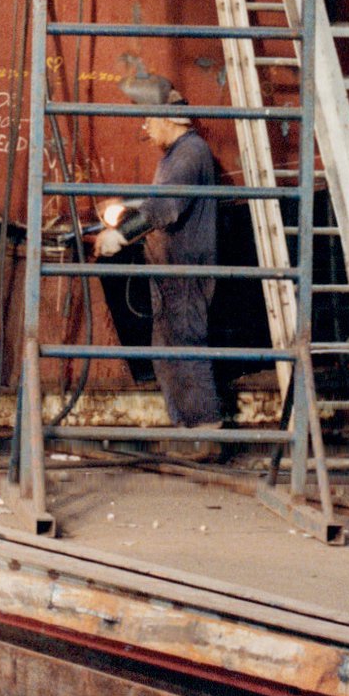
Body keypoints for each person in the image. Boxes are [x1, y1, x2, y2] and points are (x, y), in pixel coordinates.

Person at [126, 73, 223, 447]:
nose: (146, 129)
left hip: (185, 269)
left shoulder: (188, 153)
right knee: (169, 348)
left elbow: (165, 206)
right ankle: (187, 431)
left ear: (166, 118)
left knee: (185, 346)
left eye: (148, 120)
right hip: (171, 271)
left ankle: (206, 433)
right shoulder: (175, 156)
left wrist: (122, 234)